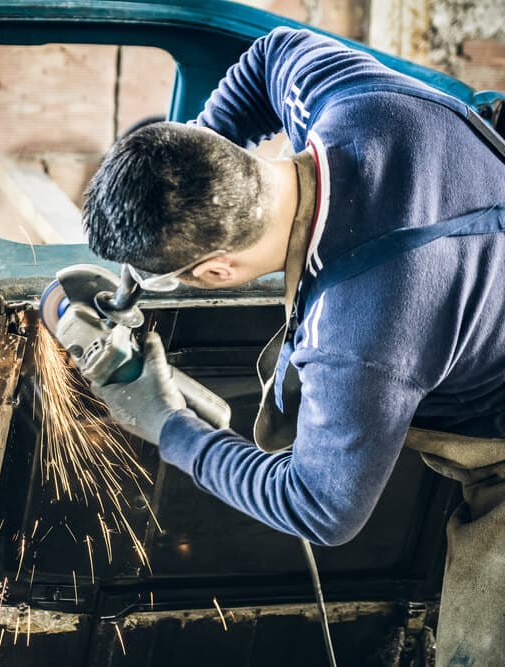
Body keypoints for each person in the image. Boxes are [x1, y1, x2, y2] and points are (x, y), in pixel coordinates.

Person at [81, 26, 505, 666]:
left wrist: (170, 428)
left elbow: (321, 507)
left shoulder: (359, 331)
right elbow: (271, 49)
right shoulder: (351, 100)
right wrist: (195, 160)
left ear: (218, 272)